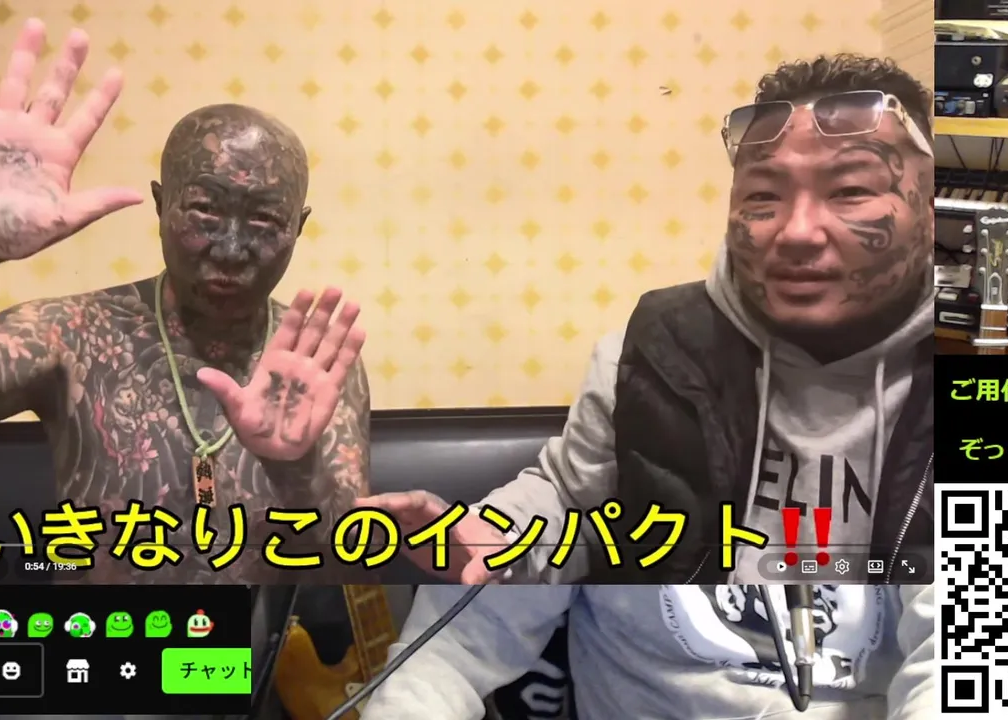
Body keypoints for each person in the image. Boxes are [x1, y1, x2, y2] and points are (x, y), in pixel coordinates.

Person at [359, 55, 936, 719]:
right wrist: (497, 537)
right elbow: (508, 578)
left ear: (928, 208)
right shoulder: (651, 359)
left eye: (850, 191)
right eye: (763, 196)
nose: (796, 232)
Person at [0, 18, 370, 584]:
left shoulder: (318, 363)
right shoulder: (71, 333)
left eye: (264, 220)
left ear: (298, 227)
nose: (231, 249)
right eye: (205, 210)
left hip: (254, 642)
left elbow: (349, 563)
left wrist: (296, 470)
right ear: (162, 205)